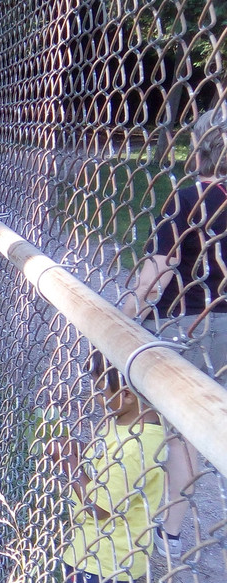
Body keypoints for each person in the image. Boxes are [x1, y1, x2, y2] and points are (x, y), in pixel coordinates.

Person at [123, 102, 227, 557]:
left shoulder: (187, 198)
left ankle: (171, 529)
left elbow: (156, 277)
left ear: (198, 150)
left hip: (187, 322)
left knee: (179, 429)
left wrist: (121, 316)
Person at [49, 350, 167, 583]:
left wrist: (69, 463)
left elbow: (101, 507)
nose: (98, 399)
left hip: (100, 561)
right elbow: (105, 470)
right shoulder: (124, 422)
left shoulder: (137, 446)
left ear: (129, 393)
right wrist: (82, 456)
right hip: (112, 560)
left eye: (103, 391)